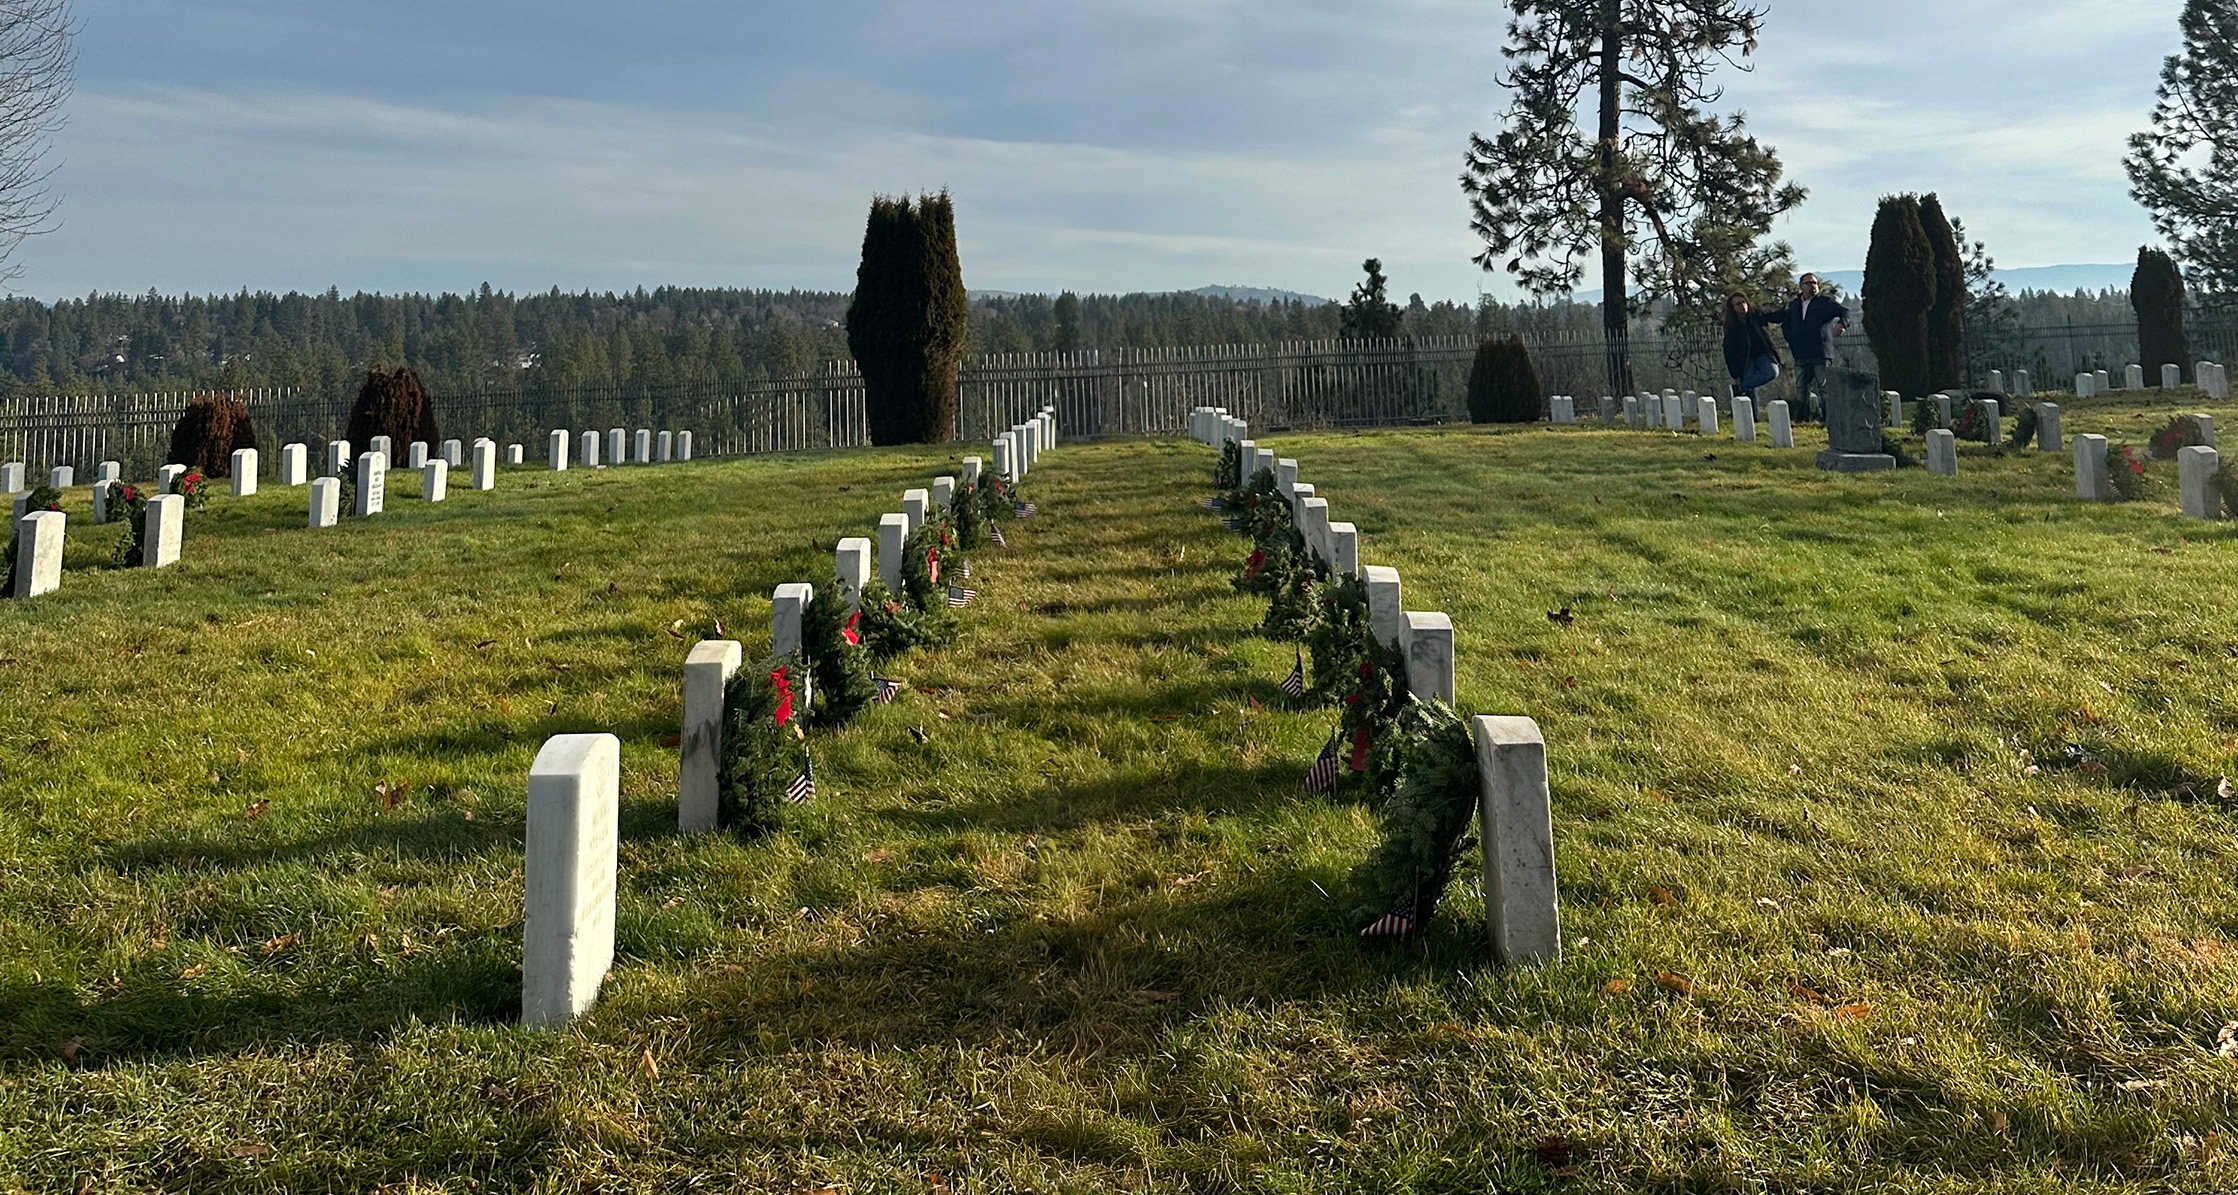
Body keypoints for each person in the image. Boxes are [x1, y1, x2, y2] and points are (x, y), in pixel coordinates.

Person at [1773, 273, 1849, 421]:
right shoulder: (1794, 305)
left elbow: (1844, 311)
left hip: (1820, 353)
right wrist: (1792, 340)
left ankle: (1828, 418)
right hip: (1801, 354)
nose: (1812, 286)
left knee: (1824, 388)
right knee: (1801, 389)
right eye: (1808, 283)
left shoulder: (1824, 303)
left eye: (1814, 283)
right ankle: (1802, 419)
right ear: (1801, 286)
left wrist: (1842, 324)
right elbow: (1786, 324)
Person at [1723, 292, 1780, 400]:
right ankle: (1752, 411)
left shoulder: (1755, 316)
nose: (1742, 305)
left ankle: (1740, 387)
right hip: (1745, 359)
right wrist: (1735, 374)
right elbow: (1728, 351)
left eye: (1744, 302)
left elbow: (1772, 316)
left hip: (1762, 353)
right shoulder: (1732, 327)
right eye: (1738, 304)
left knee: (1771, 372)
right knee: (1750, 391)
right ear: (1733, 308)